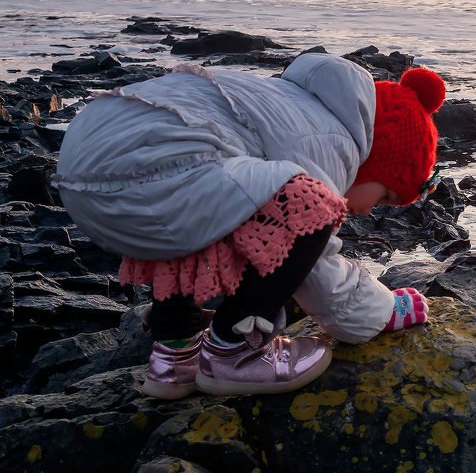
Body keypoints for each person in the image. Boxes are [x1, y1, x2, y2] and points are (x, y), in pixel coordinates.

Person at [52, 52, 442, 398]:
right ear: (378, 158)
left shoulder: (293, 105)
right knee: (311, 207)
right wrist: (382, 310)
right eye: (386, 196)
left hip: (84, 166)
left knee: (215, 215)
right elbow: (316, 269)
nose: (371, 210)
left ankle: (174, 358)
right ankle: (233, 352)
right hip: (142, 171)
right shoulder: (328, 139)